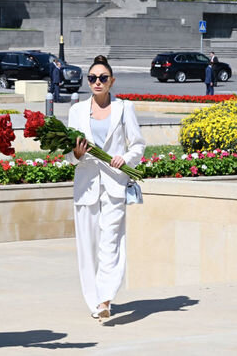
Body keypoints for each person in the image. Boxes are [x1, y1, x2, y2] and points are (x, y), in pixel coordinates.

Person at [66, 55, 146, 320]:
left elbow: (138, 144)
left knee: (111, 241)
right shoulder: (77, 110)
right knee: (89, 245)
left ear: (112, 81)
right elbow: (68, 152)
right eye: (92, 78)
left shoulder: (125, 108)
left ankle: (105, 299)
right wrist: (75, 155)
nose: (97, 82)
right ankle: (94, 299)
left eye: (102, 78)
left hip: (114, 183)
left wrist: (127, 158)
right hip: (86, 185)